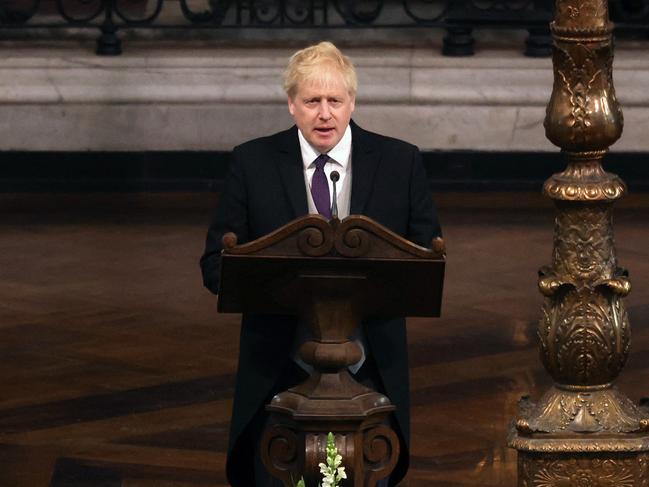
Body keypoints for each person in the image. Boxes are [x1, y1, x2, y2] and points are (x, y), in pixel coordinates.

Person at [200, 41, 441, 487]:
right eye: (312, 101)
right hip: (280, 369)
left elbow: (426, 256)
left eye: (335, 100)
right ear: (292, 104)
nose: (324, 114)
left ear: (353, 102)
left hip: (370, 371)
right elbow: (216, 263)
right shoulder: (253, 162)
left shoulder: (399, 162)